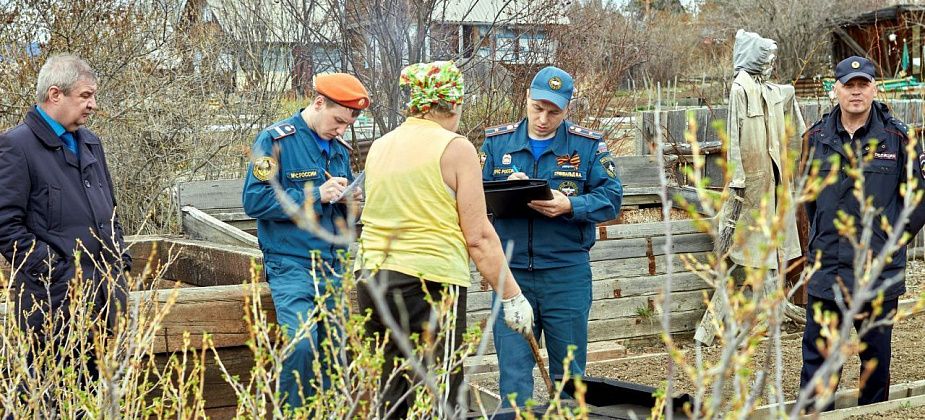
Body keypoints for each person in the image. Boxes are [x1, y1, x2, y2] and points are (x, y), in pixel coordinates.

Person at [355, 61, 534, 417]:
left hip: (372, 280)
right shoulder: (455, 148)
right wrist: (513, 297)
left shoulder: (380, 145)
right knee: (437, 395)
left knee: (390, 394)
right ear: (454, 103)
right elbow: (480, 236)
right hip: (428, 283)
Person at [480, 66, 623, 406]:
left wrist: (571, 205)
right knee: (513, 377)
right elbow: (472, 199)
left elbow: (612, 199)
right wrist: (503, 190)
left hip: (566, 275)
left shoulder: (587, 146)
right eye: (537, 108)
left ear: (567, 109)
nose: (543, 118)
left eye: (553, 112)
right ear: (526, 99)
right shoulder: (497, 143)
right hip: (511, 275)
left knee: (570, 378)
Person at [799, 56, 925, 410]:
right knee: (819, 365)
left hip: (877, 276)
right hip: (828, 274)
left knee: (874, 365)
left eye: (863, 84)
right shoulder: (815, 139)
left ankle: (873, 415)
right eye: (849, 85)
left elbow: (918, 200)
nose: (856, 92)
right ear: (835, 89)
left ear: (874, 88)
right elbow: (809, 203)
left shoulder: (898, 138)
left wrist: (891, 243)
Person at [0, 54, 131, 382]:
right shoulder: (17, 146)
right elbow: (5, 224)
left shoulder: (90, 142)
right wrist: (59, 275)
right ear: (55, 94)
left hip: (103, 301)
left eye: (94, 96)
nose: (93, 105)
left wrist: (119, 263)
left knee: (96, 398)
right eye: (86, 96)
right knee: (52, 400)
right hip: (52, 309)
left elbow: (110, 212)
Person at [241, 73, 369, 408]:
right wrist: (315, 194)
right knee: (301, 346)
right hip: (292, 264)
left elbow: (341, 216)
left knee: (335, 353)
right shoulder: (275, 141)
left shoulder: (338, 148)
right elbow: (255, 201)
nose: (341, 130)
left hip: (334, 266)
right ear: (318, 103)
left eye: (347, 125)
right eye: (338, 120)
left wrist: (350, 202)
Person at [694, 29, 807, 346]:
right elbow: (733, 137)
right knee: (747, 254)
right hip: (752, 190)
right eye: (766, 58)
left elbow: (791, 120)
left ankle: (768, 315)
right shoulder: (741, 89)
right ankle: (746, 321)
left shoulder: (769, 90)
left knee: (769, 251)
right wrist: (739, 181)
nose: (771, 64)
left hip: (774, 187)